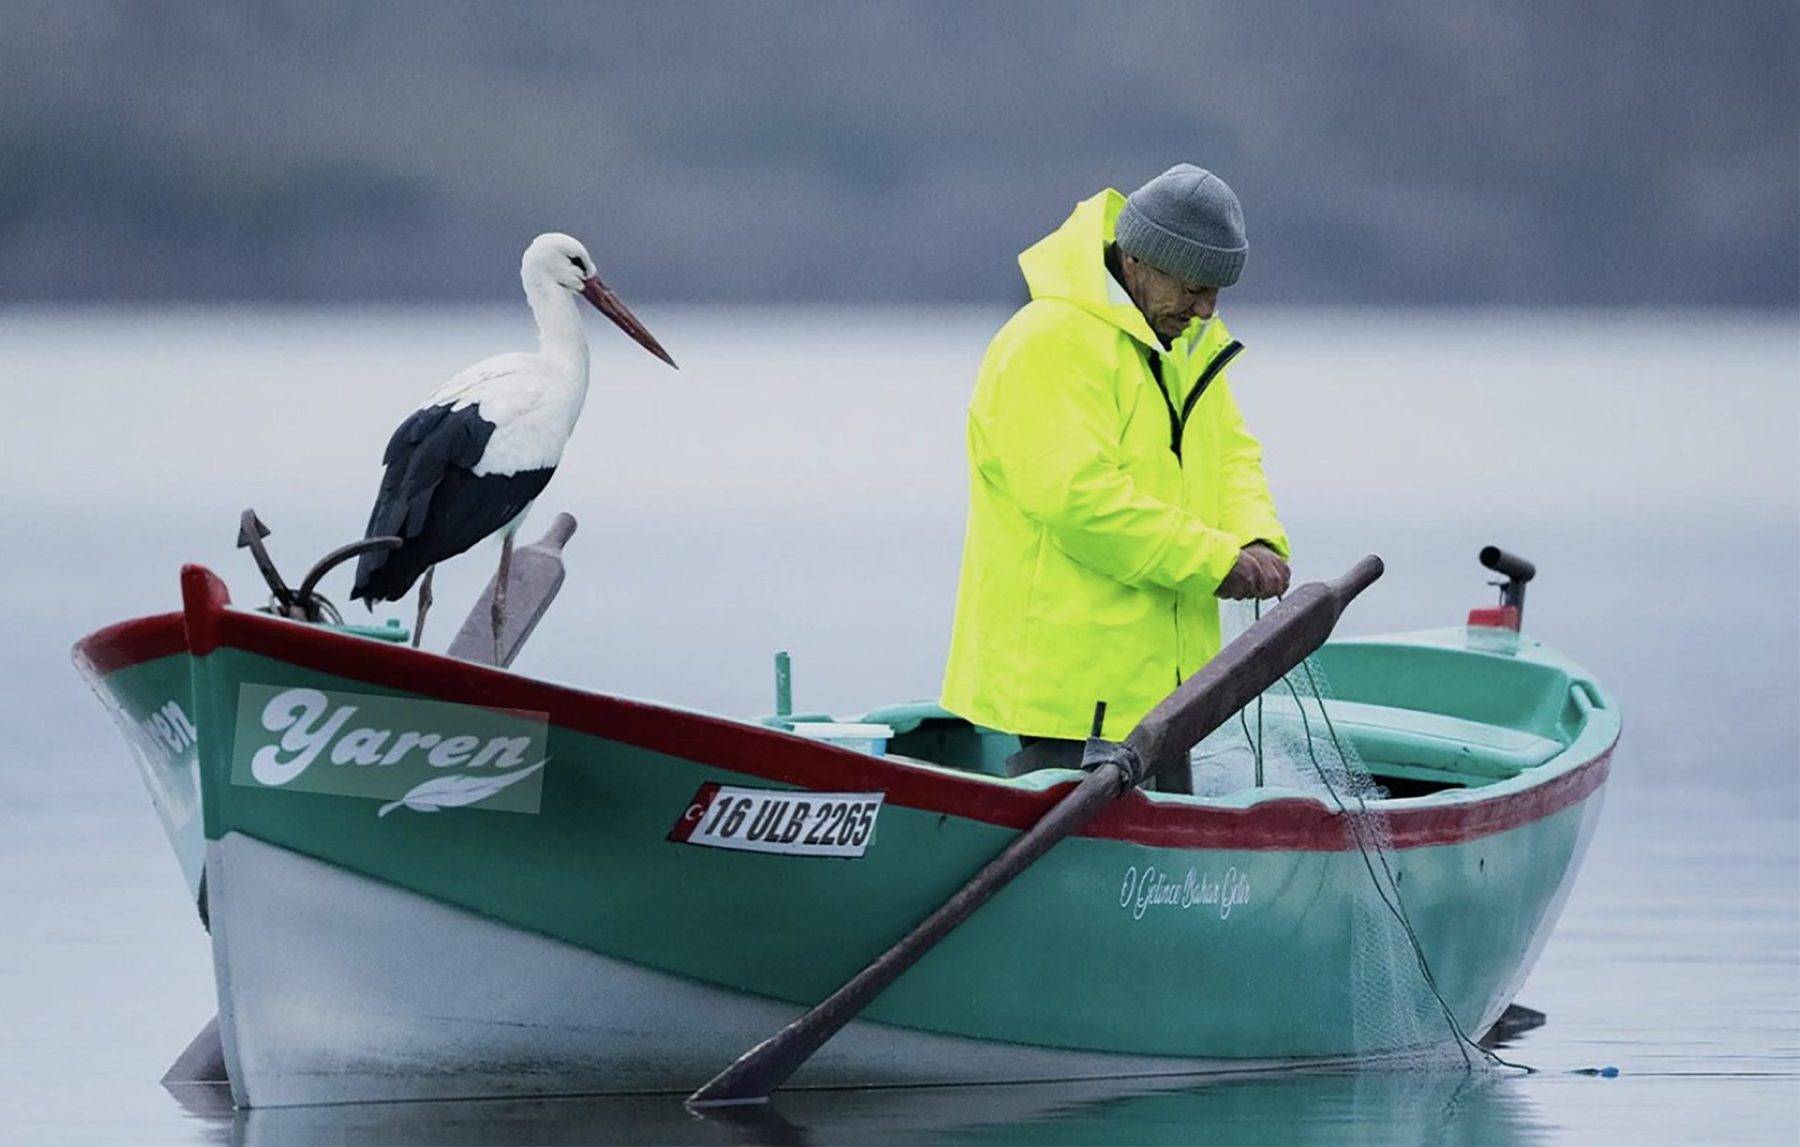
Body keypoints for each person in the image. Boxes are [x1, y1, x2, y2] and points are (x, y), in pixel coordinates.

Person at [939, 164, 1290, 789]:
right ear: (1138, 259)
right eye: (1194, 285)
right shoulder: (1048, 341)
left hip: (1168, 692)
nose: (1206, 308)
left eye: (1217, 290)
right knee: (1071, 868)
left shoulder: (1186, 344)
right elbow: (1080, 501)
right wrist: (1215, 559)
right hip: (1070, 693)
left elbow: (1232, 455)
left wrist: (1257, 538)